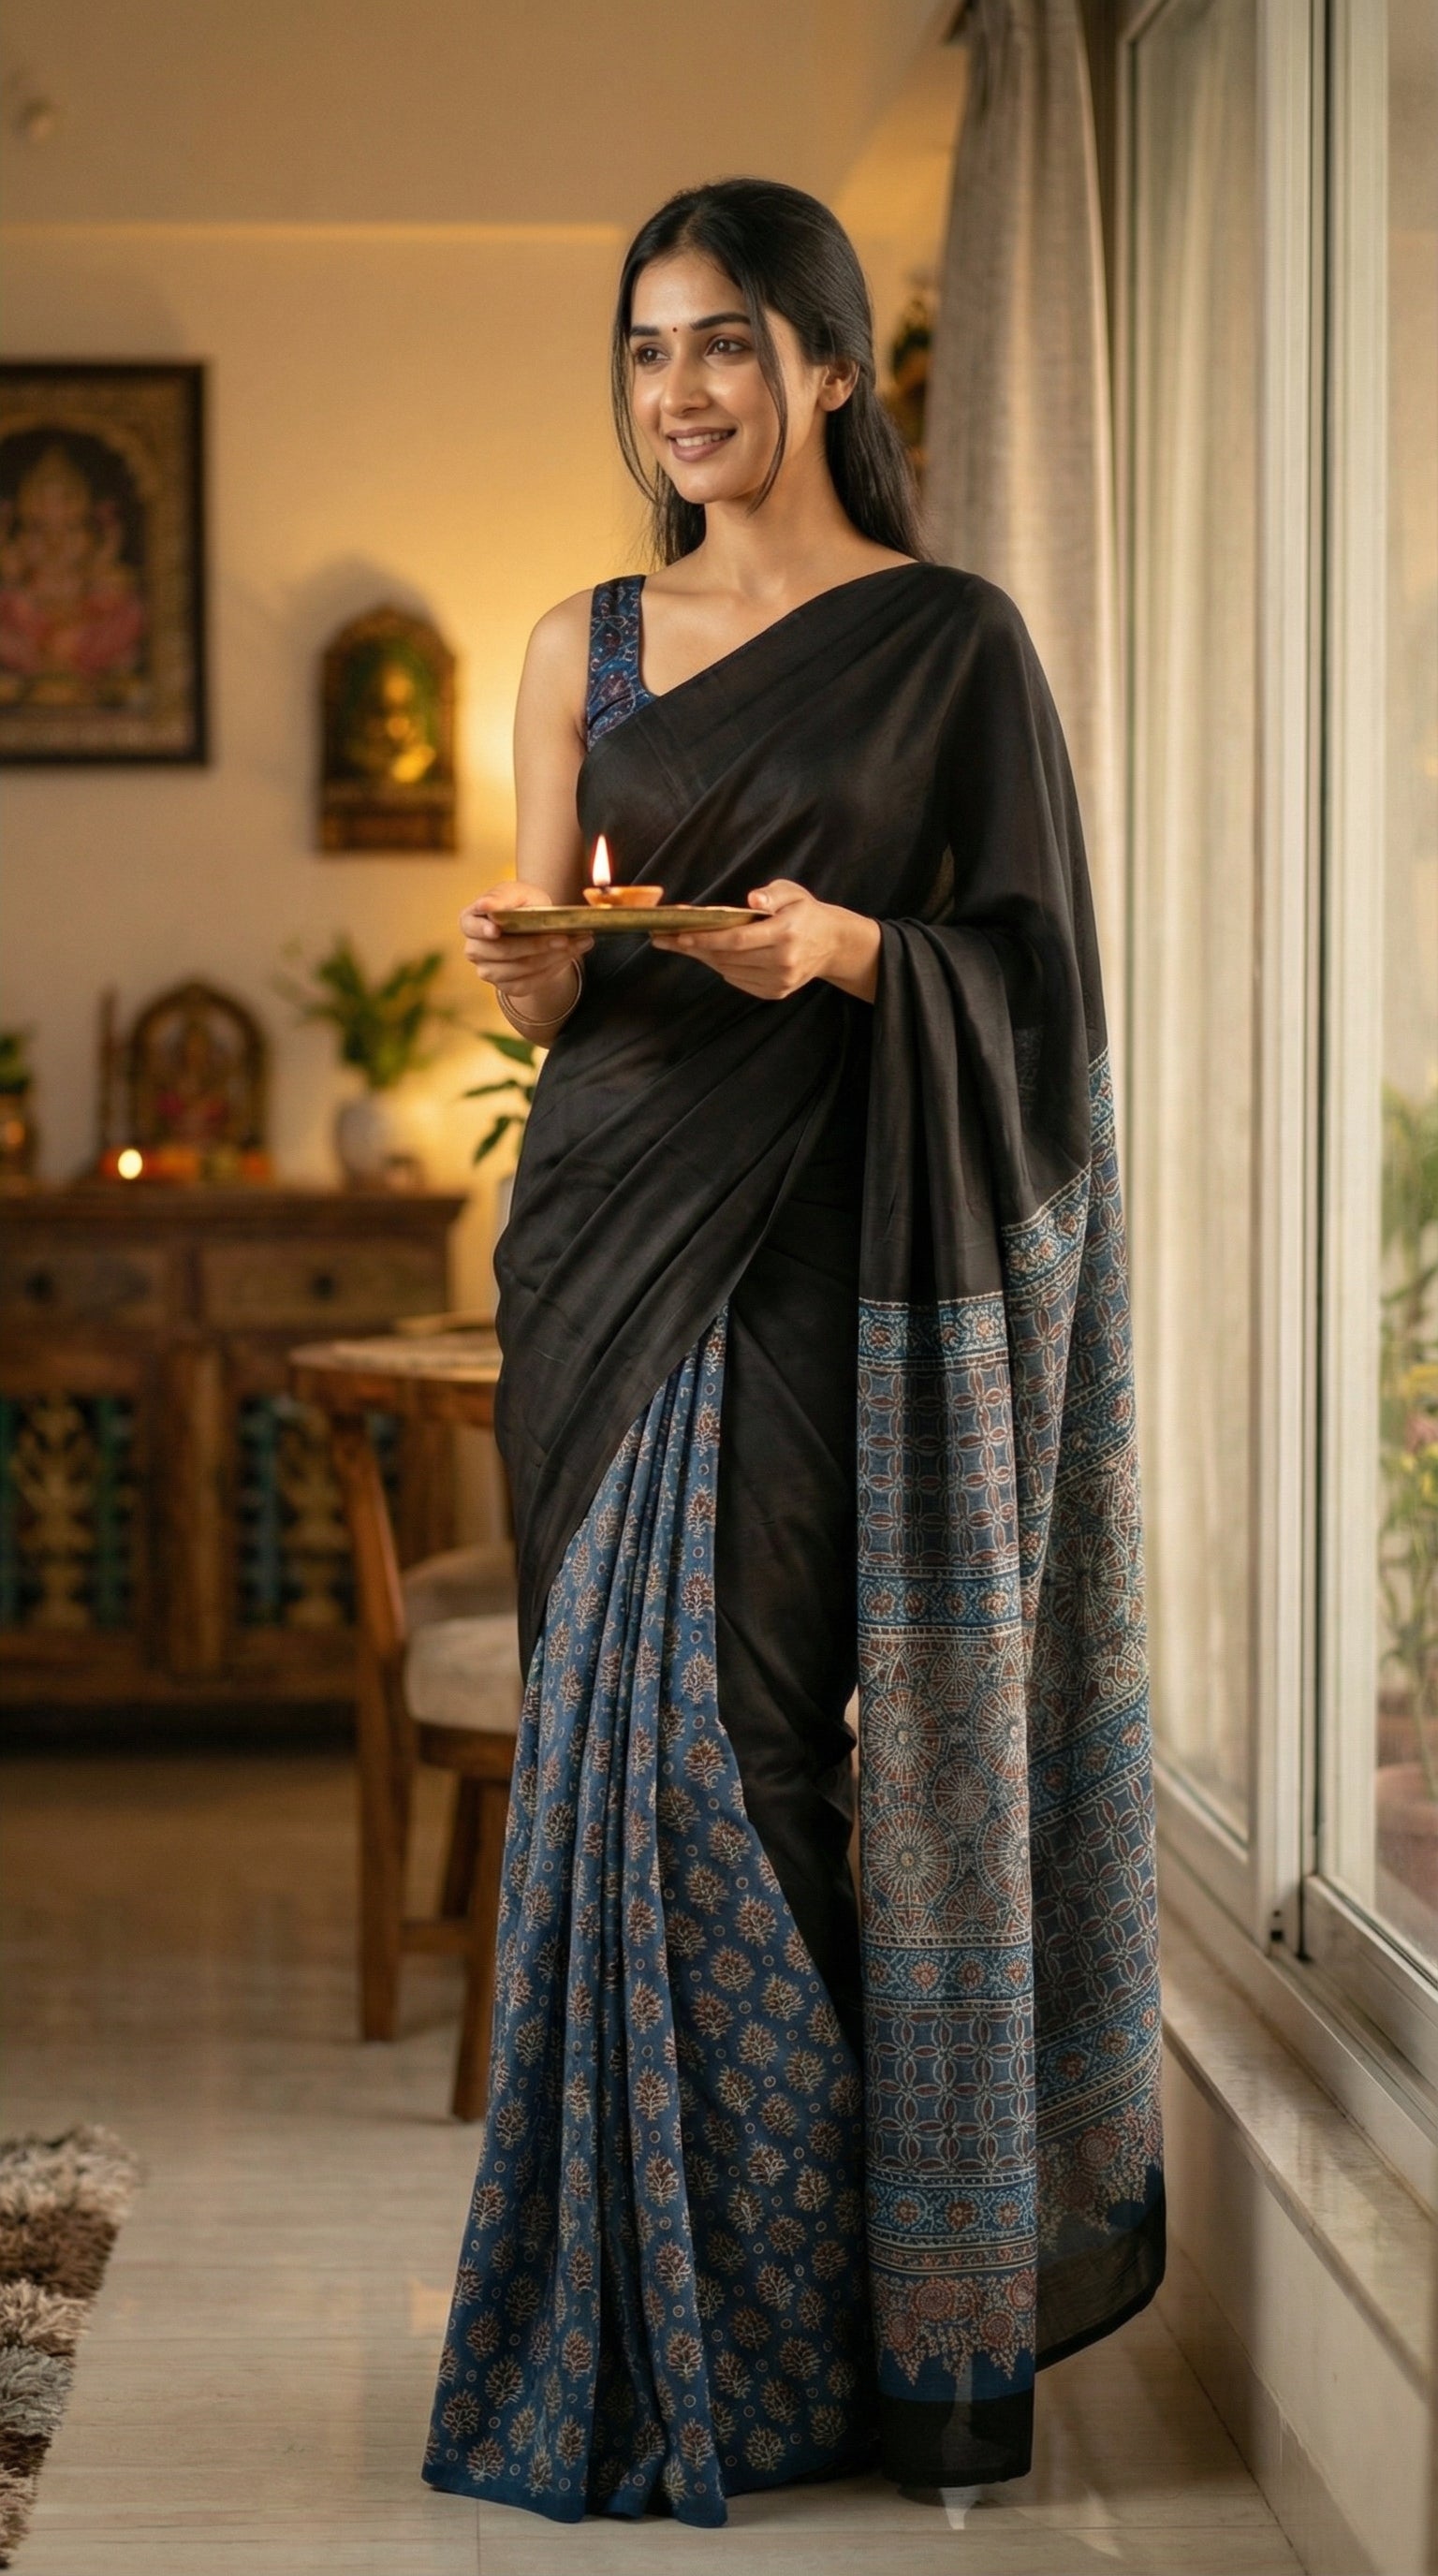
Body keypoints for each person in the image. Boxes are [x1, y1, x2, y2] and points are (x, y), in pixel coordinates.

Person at [423, 176, 1163, 2532]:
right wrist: (533, 970)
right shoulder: (585, 639)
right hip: (607, 1228)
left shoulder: (950, 641)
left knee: (746, 1752)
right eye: (647, 351)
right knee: (602, 1763)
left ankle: (832, 2315)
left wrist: (854, 954)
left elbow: (1039, 992)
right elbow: (559, 954)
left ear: (833, 364)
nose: (684, 393)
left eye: (728, 343)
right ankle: (649, 2311)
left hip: (827, 1241)